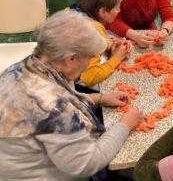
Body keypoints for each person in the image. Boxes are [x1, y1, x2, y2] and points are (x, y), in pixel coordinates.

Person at [0, 10, 143, 181]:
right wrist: (125, 124)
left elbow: (54, 100)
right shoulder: (56, 109)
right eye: (90, 57)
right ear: (71, 59)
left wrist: (99, 98)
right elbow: (86, 164)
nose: (89, 63)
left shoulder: (26, 65)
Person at [70, 0, 133, 87]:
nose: (119, 10)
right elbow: (88, 78)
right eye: (117, 7)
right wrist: (117, 58)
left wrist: (106, 44)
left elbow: (81, 46)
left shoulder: (73, 11)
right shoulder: (93, 30)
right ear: (103, 11)